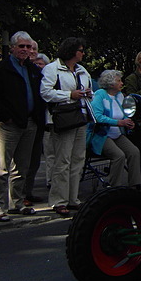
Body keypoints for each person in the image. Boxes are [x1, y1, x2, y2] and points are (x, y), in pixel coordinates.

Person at [0, 31, 45, 221]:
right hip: (8, 125)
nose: (25, 50)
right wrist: (6, 116)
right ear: (12, 48)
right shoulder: (1, 69)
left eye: (28, 47)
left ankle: (17, 204)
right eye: (21, 46)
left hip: (30, 123)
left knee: (22, 167)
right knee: (1, 167)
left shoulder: (32, 69)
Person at [40, 37, 93, 216]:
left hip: (81, 117)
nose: (83, 53)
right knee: (62, 160)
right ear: (71, 51)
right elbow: (46, 93)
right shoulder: (52, 69)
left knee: (78, 159)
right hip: (63, 118)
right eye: (80, 50)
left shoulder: (82, 70)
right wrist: (70, 95)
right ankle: (58, 200)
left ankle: (73, 198)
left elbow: (88, 91)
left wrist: (86, 94)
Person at [87, 70, 141, 189]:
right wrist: (118, 122)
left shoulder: (120, 95)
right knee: (119, 155)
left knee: (134, 152)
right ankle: (114, 186)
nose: (122, 83)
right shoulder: (100, 95)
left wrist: (128, 121)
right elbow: (97, 117)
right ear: (111, 83)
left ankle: (135, 184)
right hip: (102, 135)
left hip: (117, 134)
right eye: (119, 81)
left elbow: (124, 113)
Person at [28, 52, 52, 200]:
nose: (38, 67)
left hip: (46, 122)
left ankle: (49, 181)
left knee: (45, 155)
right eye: (36, 64)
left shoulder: (48, 78)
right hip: (31, 121)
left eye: (40, 64)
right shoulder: (31, 77)